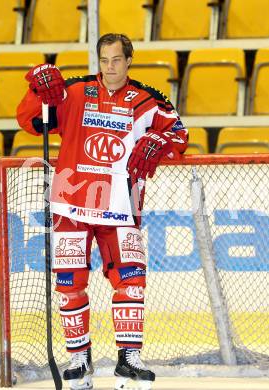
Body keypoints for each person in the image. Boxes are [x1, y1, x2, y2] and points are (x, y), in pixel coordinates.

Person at [17, 33, 188, 390]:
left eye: (116, 60)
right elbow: (31, 122)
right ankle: (80, 358)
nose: (109, 68)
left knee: (131, 281)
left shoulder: (149, 101)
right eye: (103, 60)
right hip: (72, 202)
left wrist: (160, 140)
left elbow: (179, 135)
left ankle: (129, 359)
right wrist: (38, 91)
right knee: (70, 283)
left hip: (121, 206)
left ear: (129, 61)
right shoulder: (74, 92)